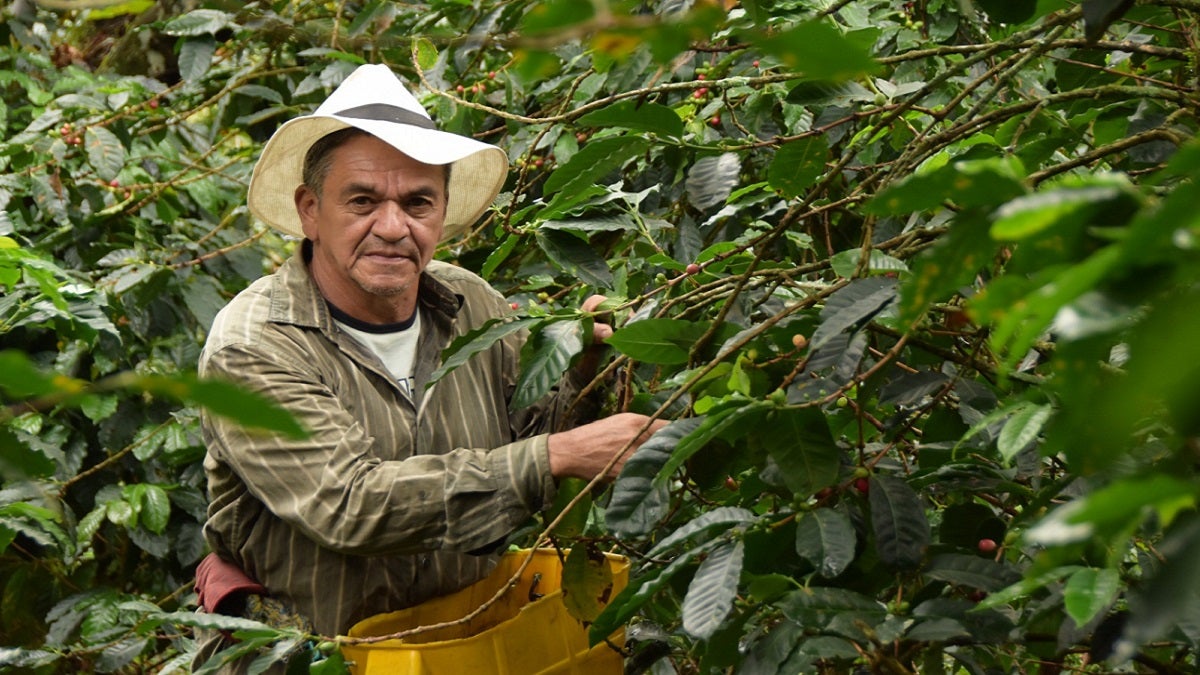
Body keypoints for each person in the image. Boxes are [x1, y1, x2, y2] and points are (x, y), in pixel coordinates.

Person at [193, 64, 665, 670]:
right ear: (311, 210)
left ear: (442, 212)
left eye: (418, 203)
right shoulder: (255, 345)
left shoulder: (471, 302)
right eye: (362, 201)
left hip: (458, 645)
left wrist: (581, 371)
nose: (393, 228)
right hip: (308, 658)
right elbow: (349, 505)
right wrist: (560, 455)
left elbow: (528, 431)